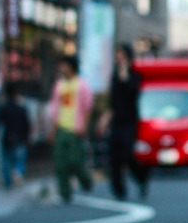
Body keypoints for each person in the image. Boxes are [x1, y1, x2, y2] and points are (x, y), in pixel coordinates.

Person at [97, 44, 148, 200]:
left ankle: (141, 177)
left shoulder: (135, 76)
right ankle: (119, 190)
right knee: (114, 155)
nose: (119, 58)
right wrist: (104, 120)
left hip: (130, 122)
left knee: (127, 153)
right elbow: (112, 102)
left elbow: (133, 94)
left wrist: (125, 72)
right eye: (117, 54)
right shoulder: (114, 76)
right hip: (116, 122)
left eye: (122, 55)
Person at [48, 54, 93, 202]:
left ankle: (86, 181)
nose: (62, 68)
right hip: (61, 127)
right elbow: (55, 108)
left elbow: (87, 107)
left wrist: (84, 125)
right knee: (60, 162)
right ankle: (65, 193)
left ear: (71, 66)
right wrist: (53, 129)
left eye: (64, 65)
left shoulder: (81, 84)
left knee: (75, 161)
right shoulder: (59, 85)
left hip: (76, 128)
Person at [0, 82, 31, 188]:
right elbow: (27, 125)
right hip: (20, 138)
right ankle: (18, 173)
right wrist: (27, 137)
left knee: (7, 161)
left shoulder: (3, 108)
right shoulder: (21, 109)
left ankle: (8, 182)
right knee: (19, 159)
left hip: (7, 138)